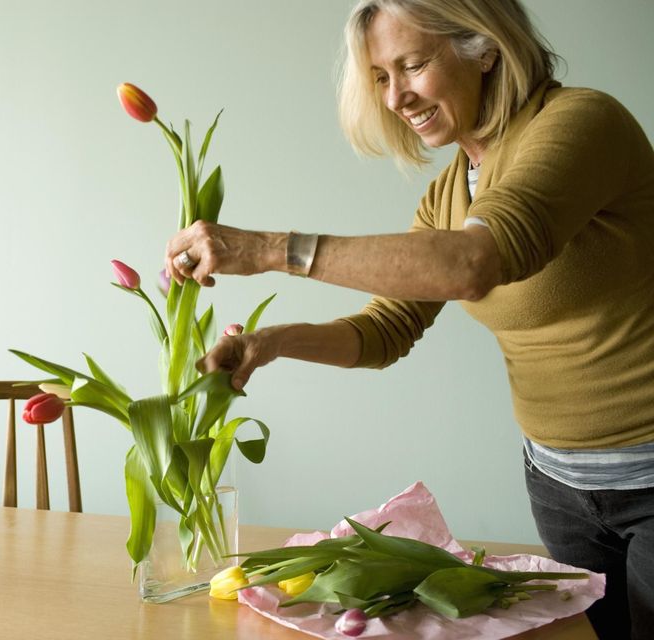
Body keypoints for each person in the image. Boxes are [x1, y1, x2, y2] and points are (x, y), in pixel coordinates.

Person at [163, 1, 654, 638]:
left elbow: (471, 264)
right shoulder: (450, 194)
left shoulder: (581, 123)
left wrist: (265, 249)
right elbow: (385, 330)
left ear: (486, 49)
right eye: (380, 78)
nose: (396, 96)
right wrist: (270, 344)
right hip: (559, 485)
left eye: (413, 65)